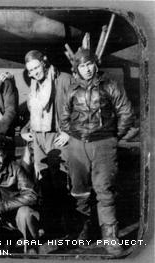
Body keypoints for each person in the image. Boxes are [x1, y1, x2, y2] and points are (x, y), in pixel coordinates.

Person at [61, 48, 134, 255]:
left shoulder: (110, 85)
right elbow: (64, 117)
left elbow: (126, 112)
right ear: (77, 68)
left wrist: (111, 136)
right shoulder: (72, 89)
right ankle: (82, 231)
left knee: (105, 191)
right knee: (79, 191)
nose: (87, 69)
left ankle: (111, 237)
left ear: (96, 64)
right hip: (77, 146)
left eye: (90, 64)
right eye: (82, 66)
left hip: (104, 145)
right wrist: (76, 136)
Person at [23, 50, 72, 179]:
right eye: (31, 70)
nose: (35, 73)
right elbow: (35, 113)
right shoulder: (34, 85)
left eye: (36, 67)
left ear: (44, 63)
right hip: (38, 137)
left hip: (57, 135)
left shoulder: (64, 79)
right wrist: (25, 129)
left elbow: (79, 109)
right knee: (42, 176)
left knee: (59, 176)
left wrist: (69, 132)